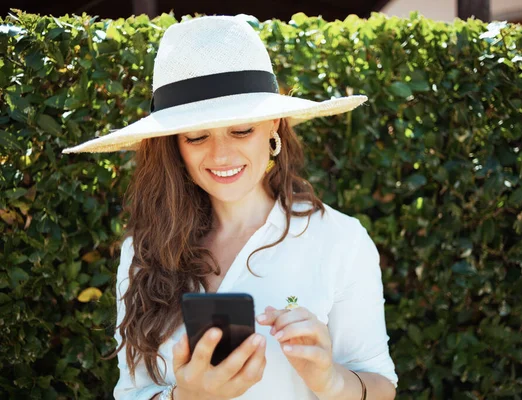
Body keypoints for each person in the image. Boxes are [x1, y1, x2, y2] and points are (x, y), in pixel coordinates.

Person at [63, 15, 398, 400]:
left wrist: (331, 380)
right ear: (174, 144)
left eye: (242, 130)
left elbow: (380, 386)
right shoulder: (143, 252)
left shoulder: (340, 239)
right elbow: (131, 392)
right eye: (196, 136)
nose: (221, 154)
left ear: (274, 124)